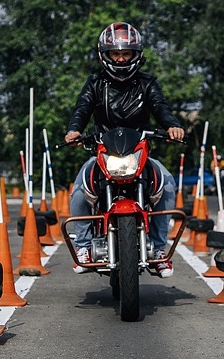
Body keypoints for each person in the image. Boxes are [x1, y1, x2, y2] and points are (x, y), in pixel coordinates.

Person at [64, 22, 185, 276]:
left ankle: (160, 249)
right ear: (104, 55)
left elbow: (160, 106)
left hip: (138, 151)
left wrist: (172, 126)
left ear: (135, 55)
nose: (120, 59)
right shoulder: (95, 82)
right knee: (78, 190)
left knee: (168, 184)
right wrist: (75, 130)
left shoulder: (147, 83)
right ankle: (84, 246)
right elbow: (82, 108)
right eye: (115, 54)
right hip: (104, 152)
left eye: (126, 54)